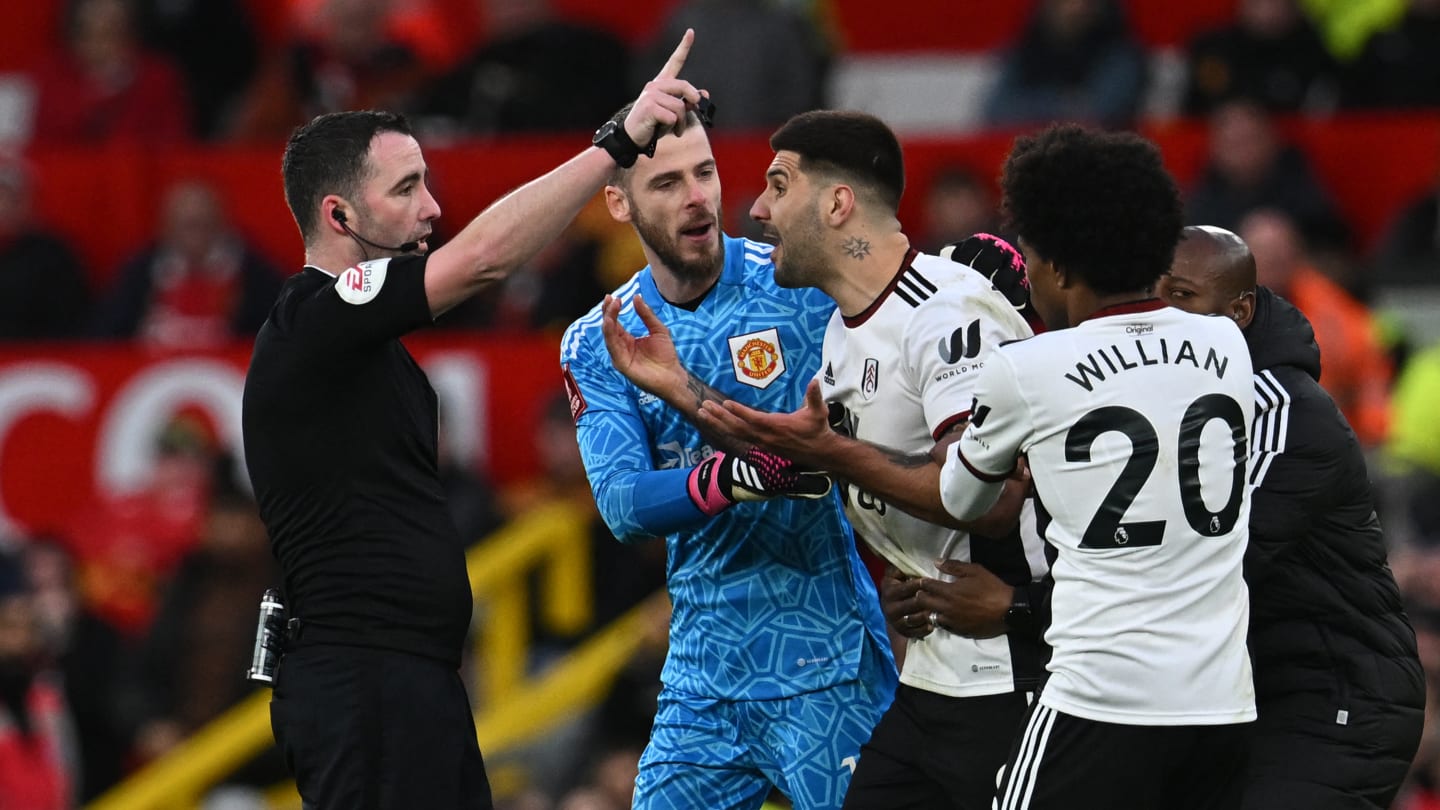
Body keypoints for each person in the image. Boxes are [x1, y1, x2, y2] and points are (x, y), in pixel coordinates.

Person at [699, 124, 1258, 809]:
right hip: (1221, 693)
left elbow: (972, 502)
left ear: (1055, 265)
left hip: (1081, 686)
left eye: (1029, 248)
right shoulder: (1227, 345)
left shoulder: (1028, 366)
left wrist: (830, 453)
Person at [241, 31, 707, 809]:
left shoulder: (370, 353)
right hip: (365, 685)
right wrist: (615, 146)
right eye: (407, 188)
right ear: (339, 214)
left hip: (412, 683)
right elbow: (484, 259)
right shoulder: (311, 320)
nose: (432, 207)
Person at [595, 109, 1047, 808]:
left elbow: (988, 505)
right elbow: (798, 461)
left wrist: (1018, 607)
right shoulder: (839, 332)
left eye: (776, 184)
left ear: (837, 204)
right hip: (924, 673)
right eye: (668, 181)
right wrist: (682, 390)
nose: (752, 206)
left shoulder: (946, 310)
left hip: (1002, 674)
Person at [558, 106, 897, 806]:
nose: (696, 198)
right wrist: (741, 476)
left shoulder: (797, 287)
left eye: (705, 173)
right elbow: (624, 508)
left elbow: (826, 458)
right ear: (619, 202)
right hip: (702, 678)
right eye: (667, 183)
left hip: (827, 662)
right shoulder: (601, 339)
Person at [1157, 225, 1425, 809]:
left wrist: (1020, 608)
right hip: (1249, 691)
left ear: (1240, 310)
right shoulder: (1167, 397)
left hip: (1338, 692)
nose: (1161, 317)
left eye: (1181, 297)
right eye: (1154, 297)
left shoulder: (1282, 411)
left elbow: (1218, 560)